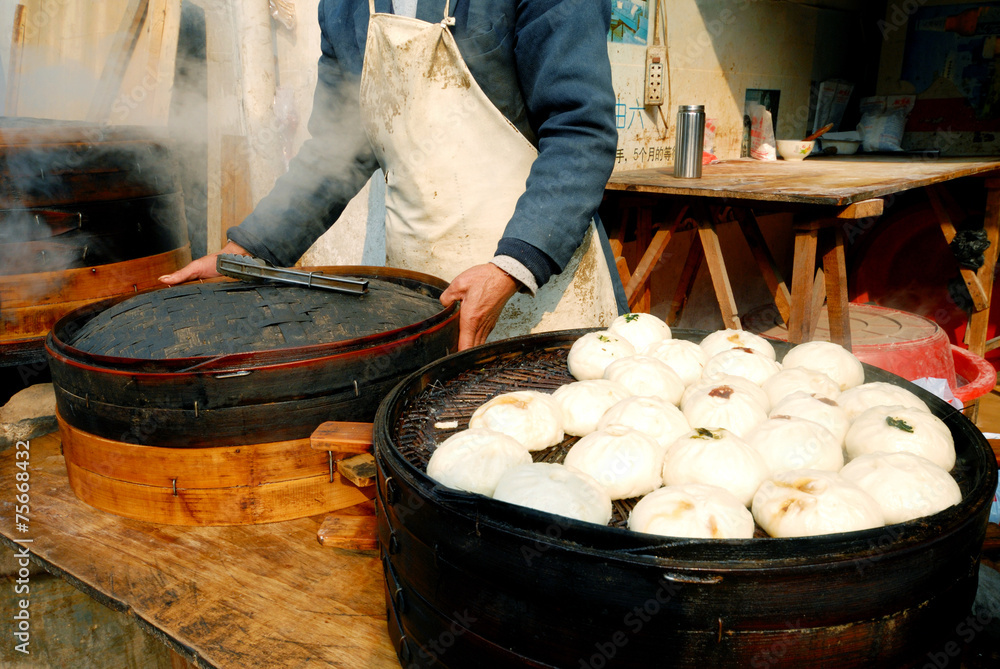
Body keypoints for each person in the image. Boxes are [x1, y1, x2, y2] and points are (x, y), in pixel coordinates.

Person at [160, 0, 628, 349]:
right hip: (425, 298)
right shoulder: (345, 9)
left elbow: (579, 131)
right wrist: (249, 250)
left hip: (538, 287)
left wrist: (512, 267)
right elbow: (335, 151)